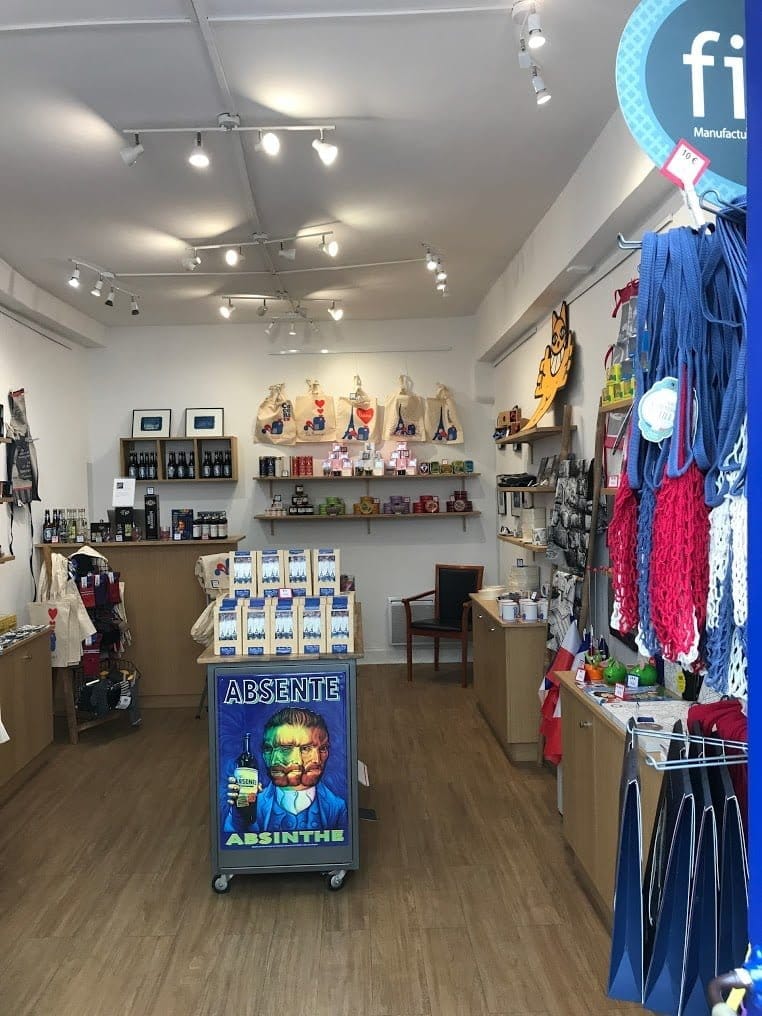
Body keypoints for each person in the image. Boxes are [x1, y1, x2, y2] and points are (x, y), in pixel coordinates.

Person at [224, 706, 347, 834]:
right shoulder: (256, 803)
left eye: (286, 748)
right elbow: (233, 838)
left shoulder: (337, 807)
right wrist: (240, 816)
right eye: (268, 749)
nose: (273, 760)